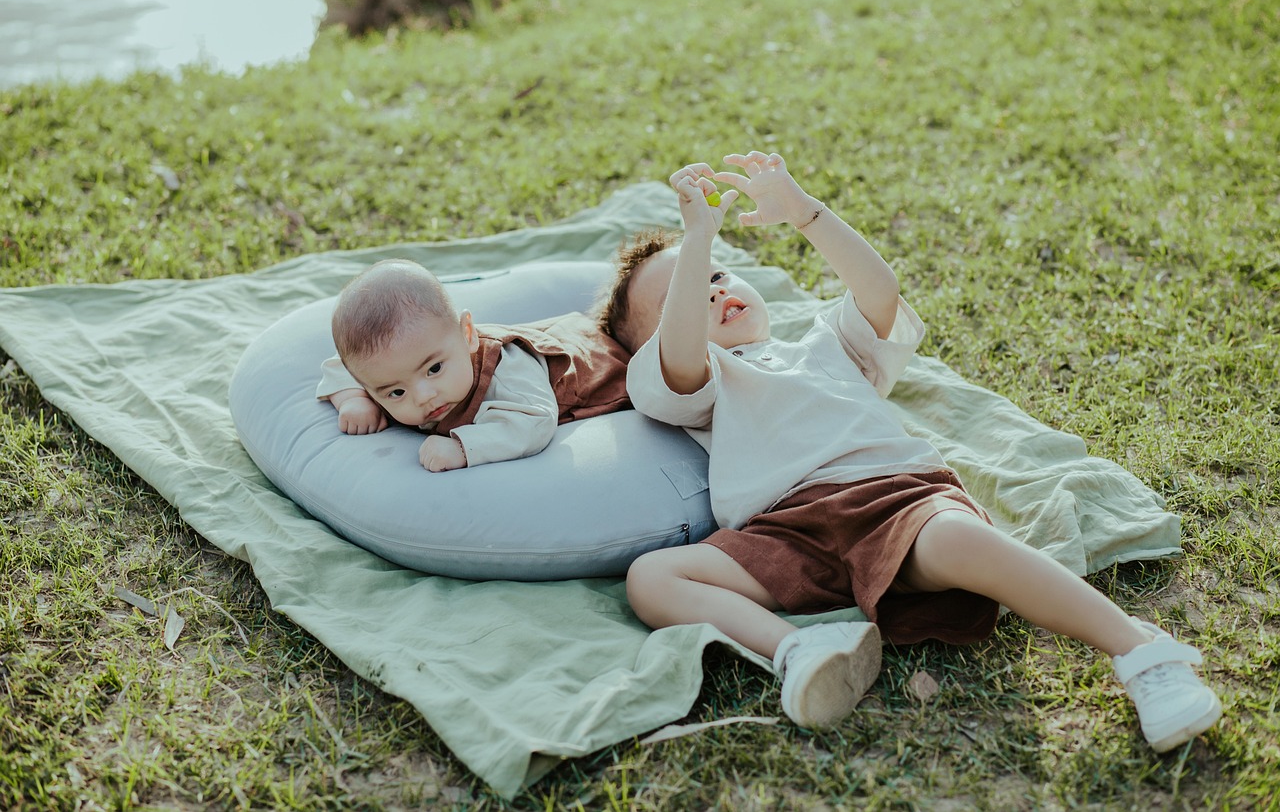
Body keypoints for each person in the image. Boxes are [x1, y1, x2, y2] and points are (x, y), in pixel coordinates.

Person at [596, 150, 1223, 750]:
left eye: (714, 274)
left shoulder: (824, 343)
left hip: (894, 499)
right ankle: (799, 652)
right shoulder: (695, 383)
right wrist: (697, 237)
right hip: (784, 534)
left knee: (965, 542)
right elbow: (680, 353)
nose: (708, 289)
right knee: (653, 577)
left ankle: (1141, 651)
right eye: (684, 289)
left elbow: (878, 292)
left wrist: (804, 210)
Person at [319, 258, 630, 471]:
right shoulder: (390, 367)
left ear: (466, 334)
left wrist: (464, 448)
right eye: (395, 393)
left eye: (435, 369)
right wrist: (352, 399)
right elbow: (342, 366)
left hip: (599, 368)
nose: (424, 396)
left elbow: (535, 422)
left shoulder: (506, 373)